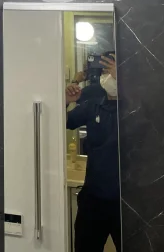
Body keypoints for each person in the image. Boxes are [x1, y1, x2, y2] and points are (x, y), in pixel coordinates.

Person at [65, 54, 121, 252]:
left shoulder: (136, 108)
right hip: (94, 199)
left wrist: (128, 83)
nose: (109, 75)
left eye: (113, 70)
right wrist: (64, 100)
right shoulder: (93, 106)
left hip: (128, 202)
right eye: (105, 71)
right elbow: (63, 122)